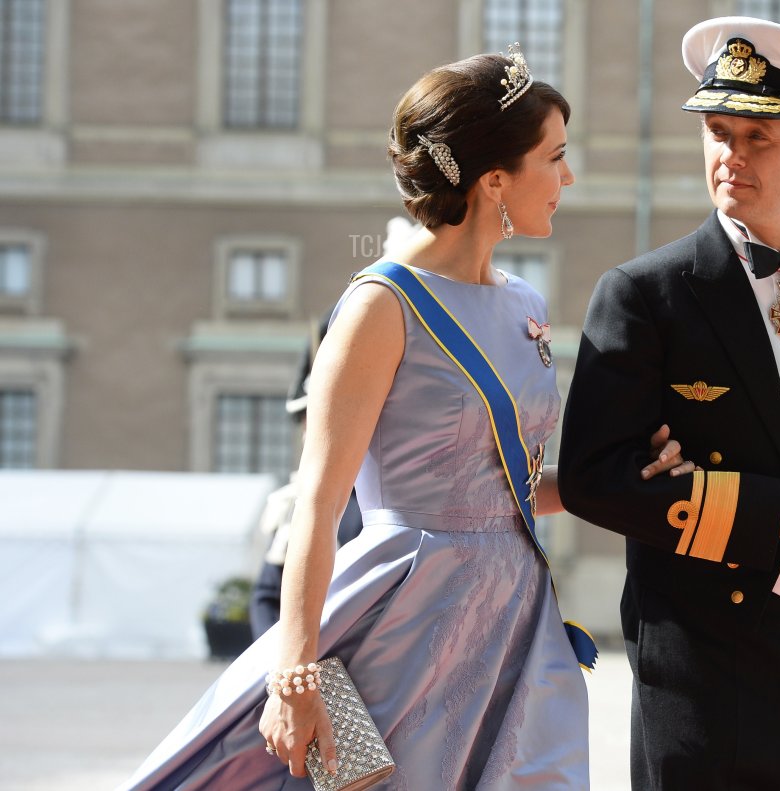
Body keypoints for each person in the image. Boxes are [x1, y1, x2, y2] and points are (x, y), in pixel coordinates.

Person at [121, 46, 691, 790]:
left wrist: (623, 478)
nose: (568, 177)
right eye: (554, 157)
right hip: (409, 622)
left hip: (516, 616)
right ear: (494, 181)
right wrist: (295, 675)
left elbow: (504, 490)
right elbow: (320, 506)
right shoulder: (377, 307)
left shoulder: (524, 304)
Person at [559, 17, 780, 790]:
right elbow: (594, 475)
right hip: (710, 665)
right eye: (719, 132)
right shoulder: (645, 293)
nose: (731, 155)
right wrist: (772, 510)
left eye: (759, 138)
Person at [249, 308, 364, 640]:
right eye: (308, 420)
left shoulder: (389, 499)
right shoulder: (301, 498)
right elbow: (268, 598)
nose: (308, 435)